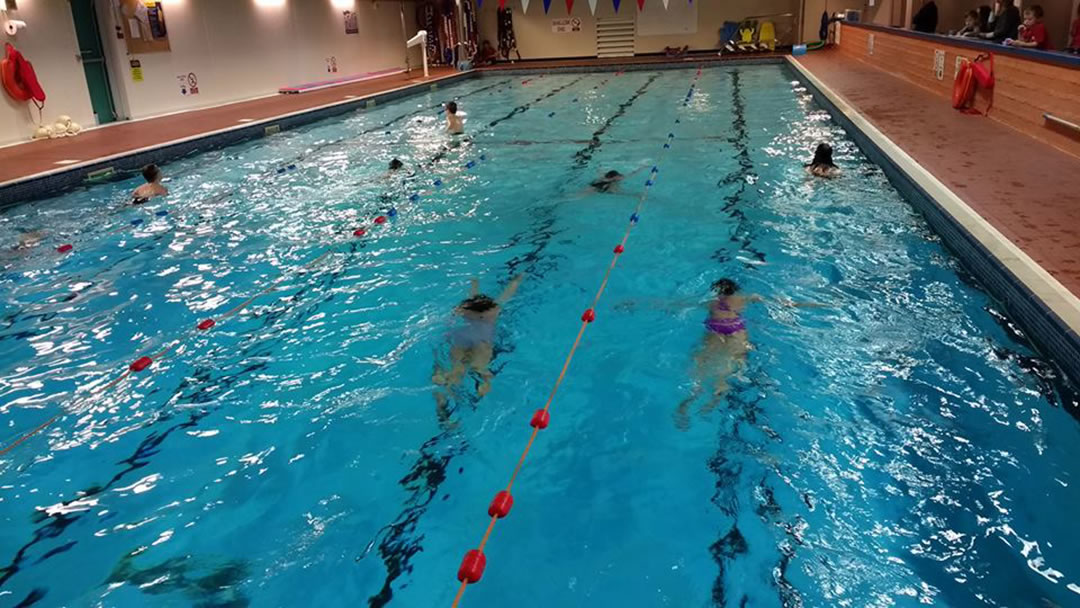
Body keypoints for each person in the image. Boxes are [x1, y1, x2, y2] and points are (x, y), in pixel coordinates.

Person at [433, 275, 524, 422]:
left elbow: (472, 296)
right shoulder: (494, 310)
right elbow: (509, 291)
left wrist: (474, 281)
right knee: (480, 368)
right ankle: (482, 386)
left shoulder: (465, 309)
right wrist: (518, 279)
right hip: (482, 342)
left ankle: (443, 408)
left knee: (453, 372)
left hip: (460, 338)